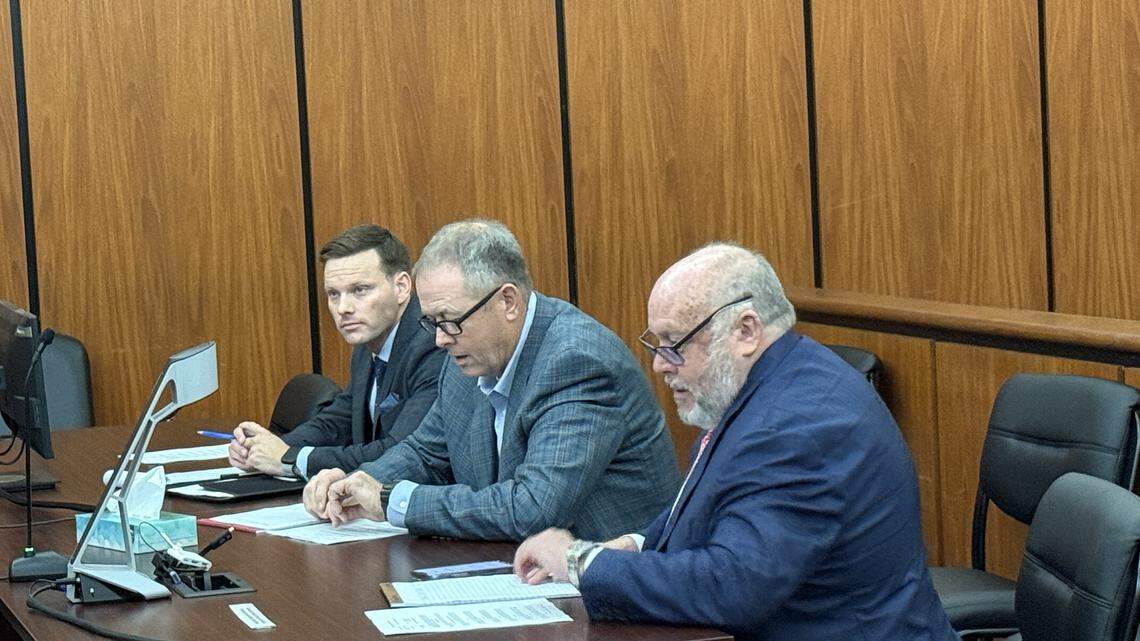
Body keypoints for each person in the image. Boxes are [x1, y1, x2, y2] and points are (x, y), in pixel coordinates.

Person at [514, 243, 956, 640]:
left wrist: (580, 561)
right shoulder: (773, 384)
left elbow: (732, 586)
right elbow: (715, 515)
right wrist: (635, 545)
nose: (660, 365)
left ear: (746, 331)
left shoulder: (796, 427)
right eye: (657, 344)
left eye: (675, 343)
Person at [302, 219, 680, 541]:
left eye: (449, 321)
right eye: (432, 322)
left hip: (611, 579)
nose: (440, 339)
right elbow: (426, 451)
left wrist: (390, 500)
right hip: (517, 567)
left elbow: (534, 508)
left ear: (508, 302)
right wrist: (356, 483)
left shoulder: (576, 362)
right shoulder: (469, 353)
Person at [228, 224, 444, 479]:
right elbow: (339, 420)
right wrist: (265, 448)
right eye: (333, 294)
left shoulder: (434, 343)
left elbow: (401, 452)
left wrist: (289, 458)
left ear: (402, 287)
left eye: (359, 290)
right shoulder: (369, 340)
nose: (343, 308)